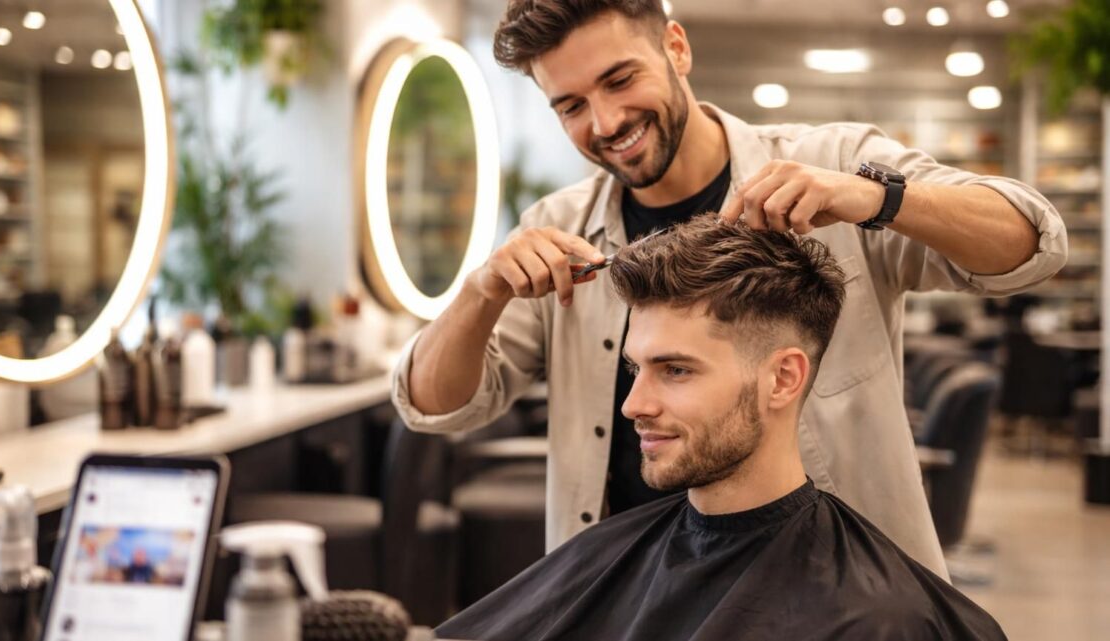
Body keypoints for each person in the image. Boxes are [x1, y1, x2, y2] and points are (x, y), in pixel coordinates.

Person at [391, 0, 1068, 577]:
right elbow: (433, 407)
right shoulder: (558, 228)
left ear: (676, 48)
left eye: (620, 79)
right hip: (633, 593)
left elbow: (1035, 242)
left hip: (836, 593)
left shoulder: (833, 164)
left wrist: (873, 197)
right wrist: (483, 290)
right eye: (570, 106)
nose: (603, 123)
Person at [435, 215, 1006, 641]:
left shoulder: (881, 619)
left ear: (783, 379)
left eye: (675, 370)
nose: (633, 405)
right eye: (636, 369)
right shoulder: (604, 555)